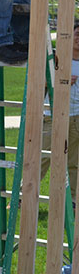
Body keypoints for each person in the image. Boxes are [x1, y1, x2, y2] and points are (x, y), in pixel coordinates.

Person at [40, 23, 79, 201]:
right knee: (42, 158)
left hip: (76, 117)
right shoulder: (57, 57)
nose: (78, 39)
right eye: (77, 34)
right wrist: (61, 81)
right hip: (53, 115)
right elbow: (40, 81)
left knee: (73, 163)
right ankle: (23, 197)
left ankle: (72, 201)